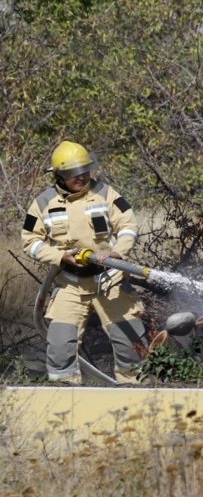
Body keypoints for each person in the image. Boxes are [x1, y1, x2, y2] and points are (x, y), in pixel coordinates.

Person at [21, 141, 147, 384]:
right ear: (59, 175)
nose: (80, 177)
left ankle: (134, 395)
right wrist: (59, 257)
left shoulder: (107, 194)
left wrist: (118, 253)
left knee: (131, 347)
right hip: (70, 284)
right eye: (72, 173)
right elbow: (30, 241)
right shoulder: (42, 204)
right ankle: (65, 401)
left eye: (84, 171)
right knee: (60, 350)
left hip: (110, 281)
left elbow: (128, 226)